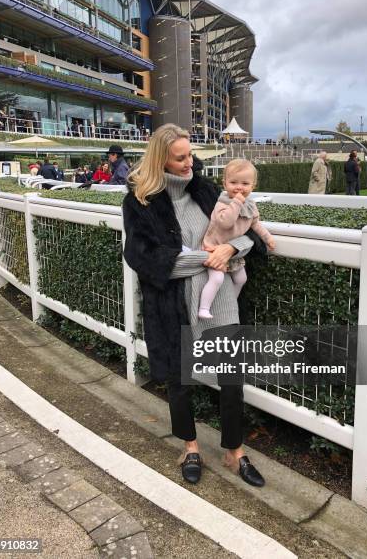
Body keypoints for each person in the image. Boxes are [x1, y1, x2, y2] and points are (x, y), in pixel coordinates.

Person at [123, 123, 266, 488]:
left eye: (191, 155)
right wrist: (203, 260)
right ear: (161, 161)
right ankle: (190, 447)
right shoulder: (140, 201)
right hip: (173, 303)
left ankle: (234, 451)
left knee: (232, 379)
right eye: (180, 158)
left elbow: (244, 230)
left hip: (220, 300)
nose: (190, 163)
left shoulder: (206, 190)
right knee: (180, 380)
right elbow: (140, 256)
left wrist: (231, 249)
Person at [198, 159, 275, 319]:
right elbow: (226, 222)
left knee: (241, 278)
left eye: (245, 183)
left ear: (253, 186)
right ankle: (204, 308)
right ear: (225, 184)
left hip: (232, 253)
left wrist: (267, 238)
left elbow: (255, 225)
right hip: (213, 249)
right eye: (233, 182)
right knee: (217, 278)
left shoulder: (250, 206)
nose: (239, 187)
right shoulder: (223, 203)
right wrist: (237, 203)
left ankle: (231, 303)